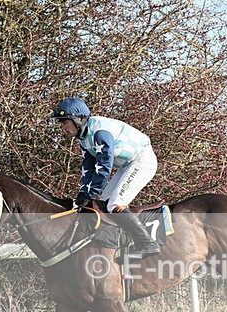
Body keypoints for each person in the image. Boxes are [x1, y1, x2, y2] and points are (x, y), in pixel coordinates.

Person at [52, 97, 160, 256]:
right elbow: (88, 168)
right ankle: (116, 242)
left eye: (65, 122)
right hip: (127, 165)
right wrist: (84, 192)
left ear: (78, 119)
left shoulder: (99, 132)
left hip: (142, 161)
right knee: (102, 203)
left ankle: (148, 244)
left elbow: (104, 166)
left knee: (114, 203)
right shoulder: (84, 138)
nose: (63, 128)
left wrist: (90, 193)